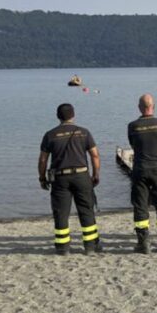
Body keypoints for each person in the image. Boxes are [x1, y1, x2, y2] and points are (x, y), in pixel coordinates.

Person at [38, 103, 102, 255]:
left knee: (61, 212)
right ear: (73, 115)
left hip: (60, 178)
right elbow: (95, 155)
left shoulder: (50, 135)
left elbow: (42, 160)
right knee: (86, 210)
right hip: (81, 176)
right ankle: (90, 246)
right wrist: (96, 174)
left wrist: (42, 178)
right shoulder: (84, 133)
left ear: (58, 116)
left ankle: (63, 247)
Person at [127, 94, 157, 254]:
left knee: (140, 205)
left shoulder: (132, 126)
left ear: (139, 107)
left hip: (140, 168)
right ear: (153, 106)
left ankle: (143, 243)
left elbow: (133, 144)